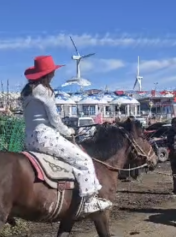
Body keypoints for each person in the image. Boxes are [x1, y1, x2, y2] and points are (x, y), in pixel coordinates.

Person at [22, 55, 111, 214]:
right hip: (45, 136)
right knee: (83, 160)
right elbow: (54, 119)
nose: (54, 75)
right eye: (52, 72)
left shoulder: (27, 91)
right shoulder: (45, 91)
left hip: (29, 138)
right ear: (47, 74)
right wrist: (68, 131)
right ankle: (89, 201)